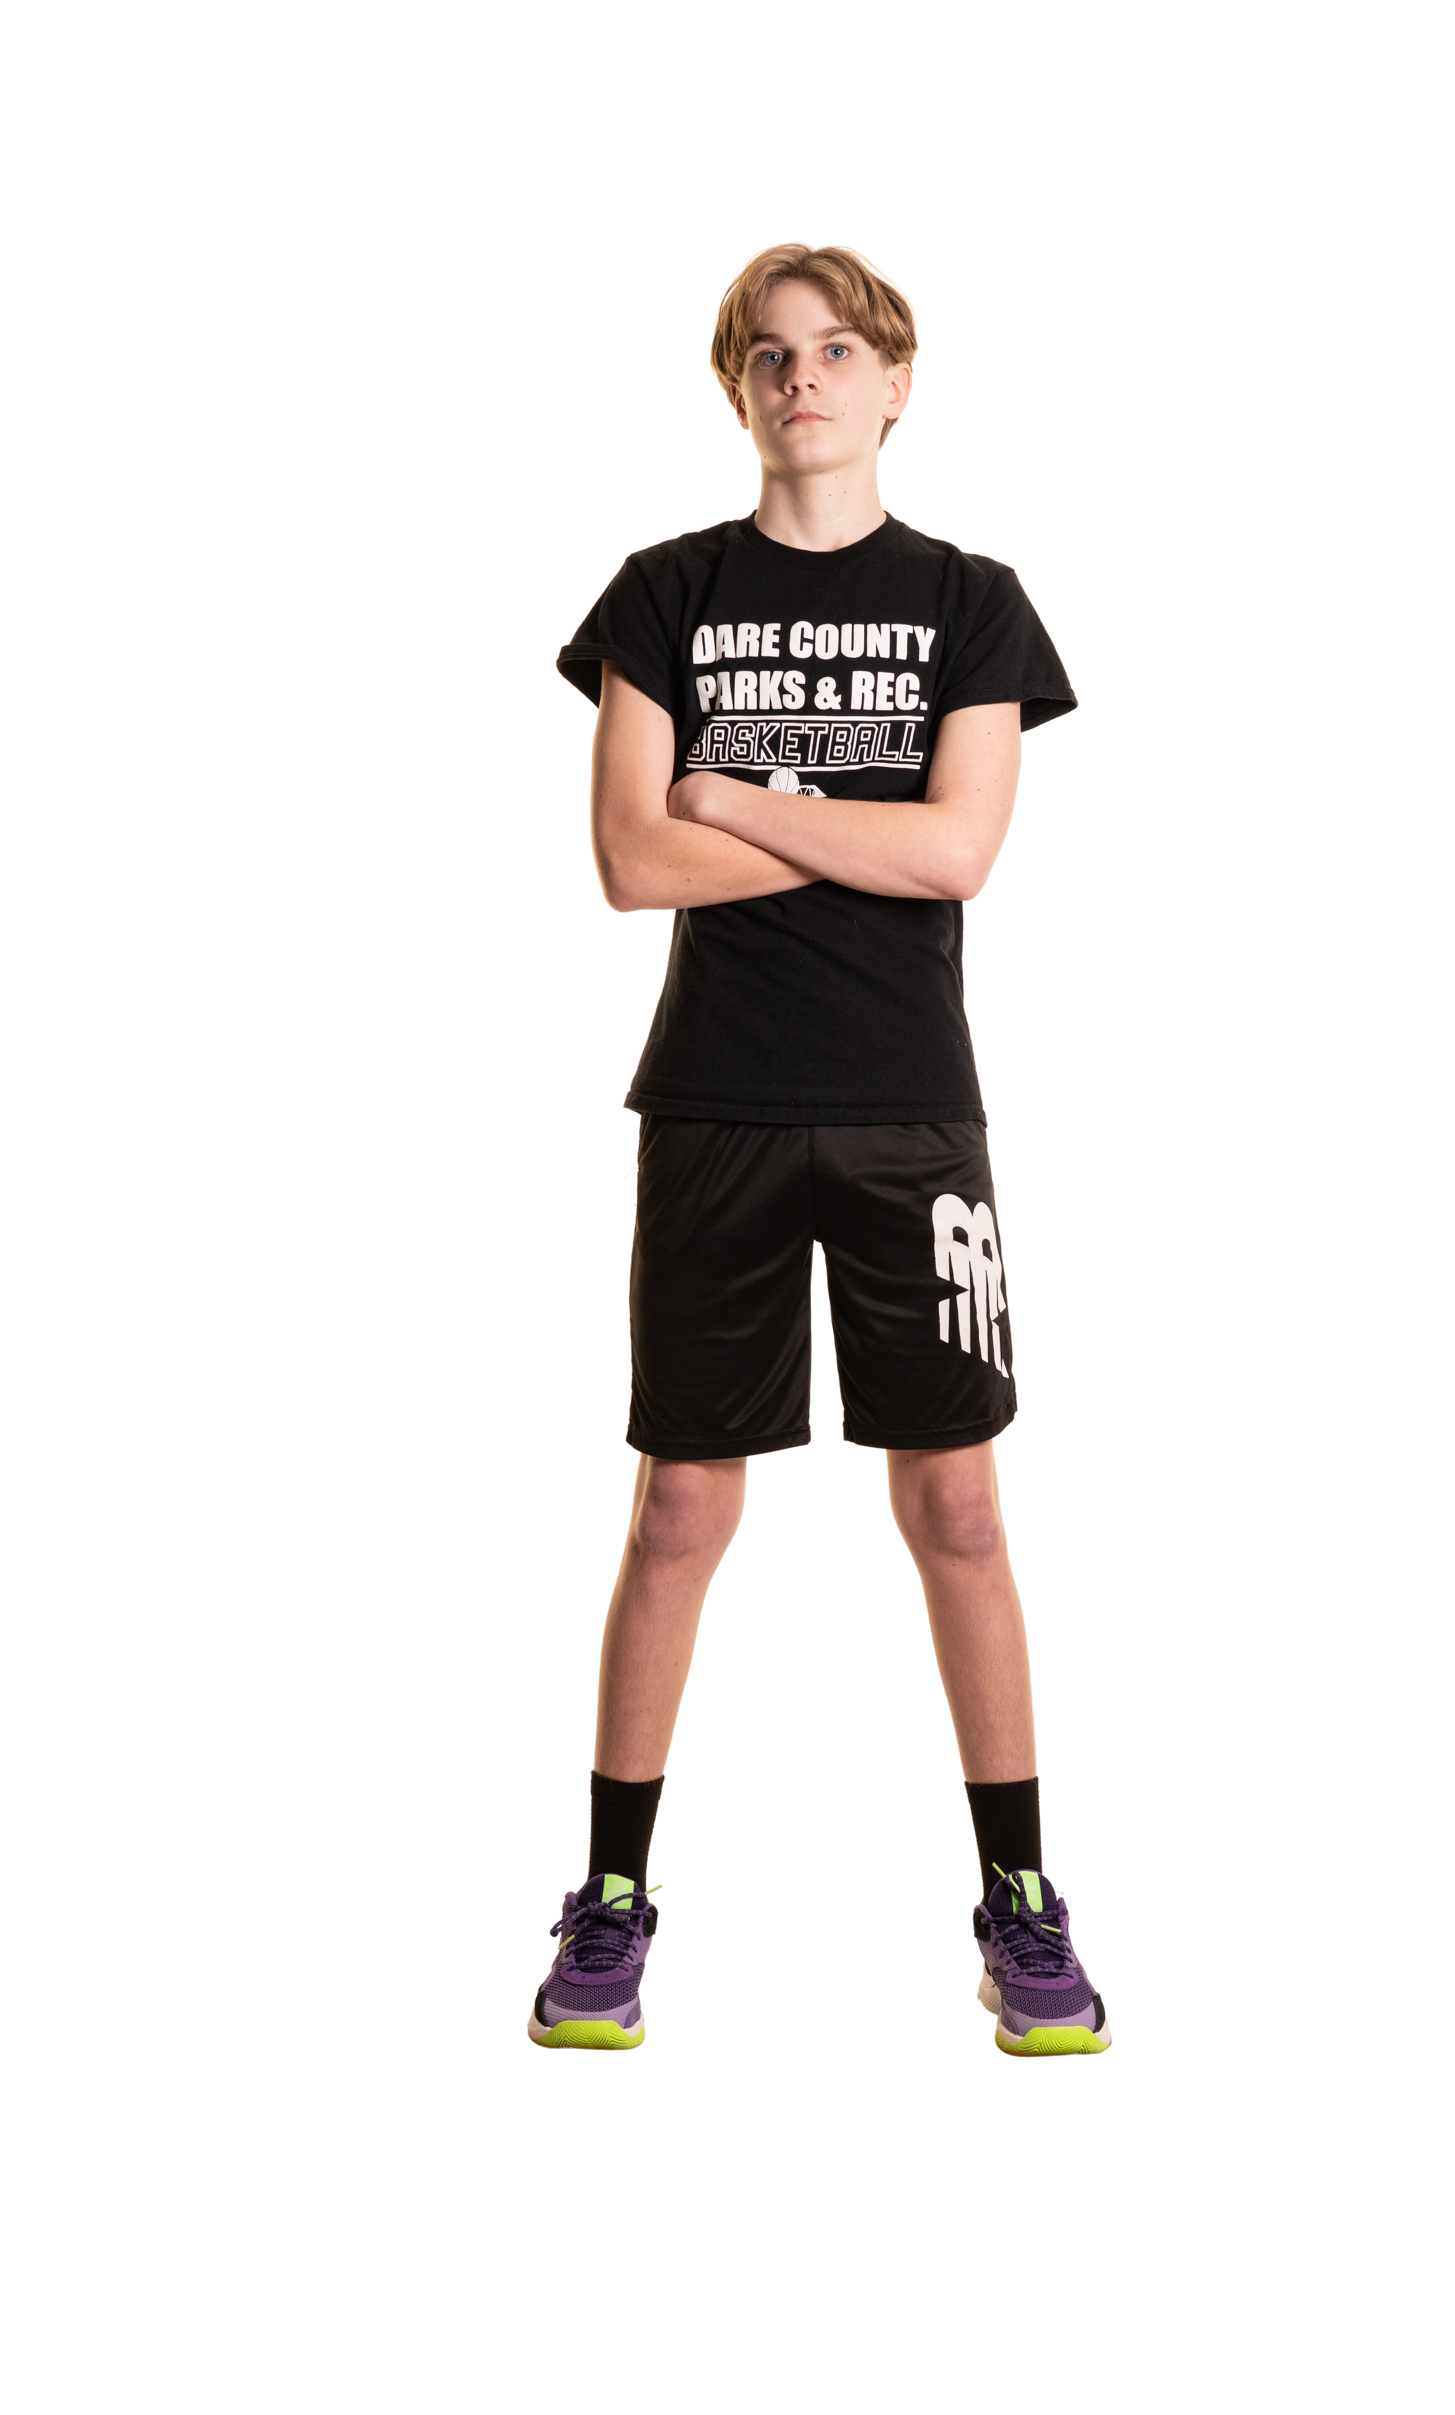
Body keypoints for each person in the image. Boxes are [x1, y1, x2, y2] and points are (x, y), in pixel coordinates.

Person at [541, 240, 1105, 2059]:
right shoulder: (663, 590)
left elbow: (962, 855)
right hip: (711, 1101)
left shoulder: (969, 598)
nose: (805, 378)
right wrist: (838, 817)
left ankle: (1024, 1901)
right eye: (771, 355)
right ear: (732, 388)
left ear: (899, 380)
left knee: (959, 1504)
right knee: (681, 1507)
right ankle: (610, 1900)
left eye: (839, 350)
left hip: (914, 1108)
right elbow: (632, 863)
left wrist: (735, 790)